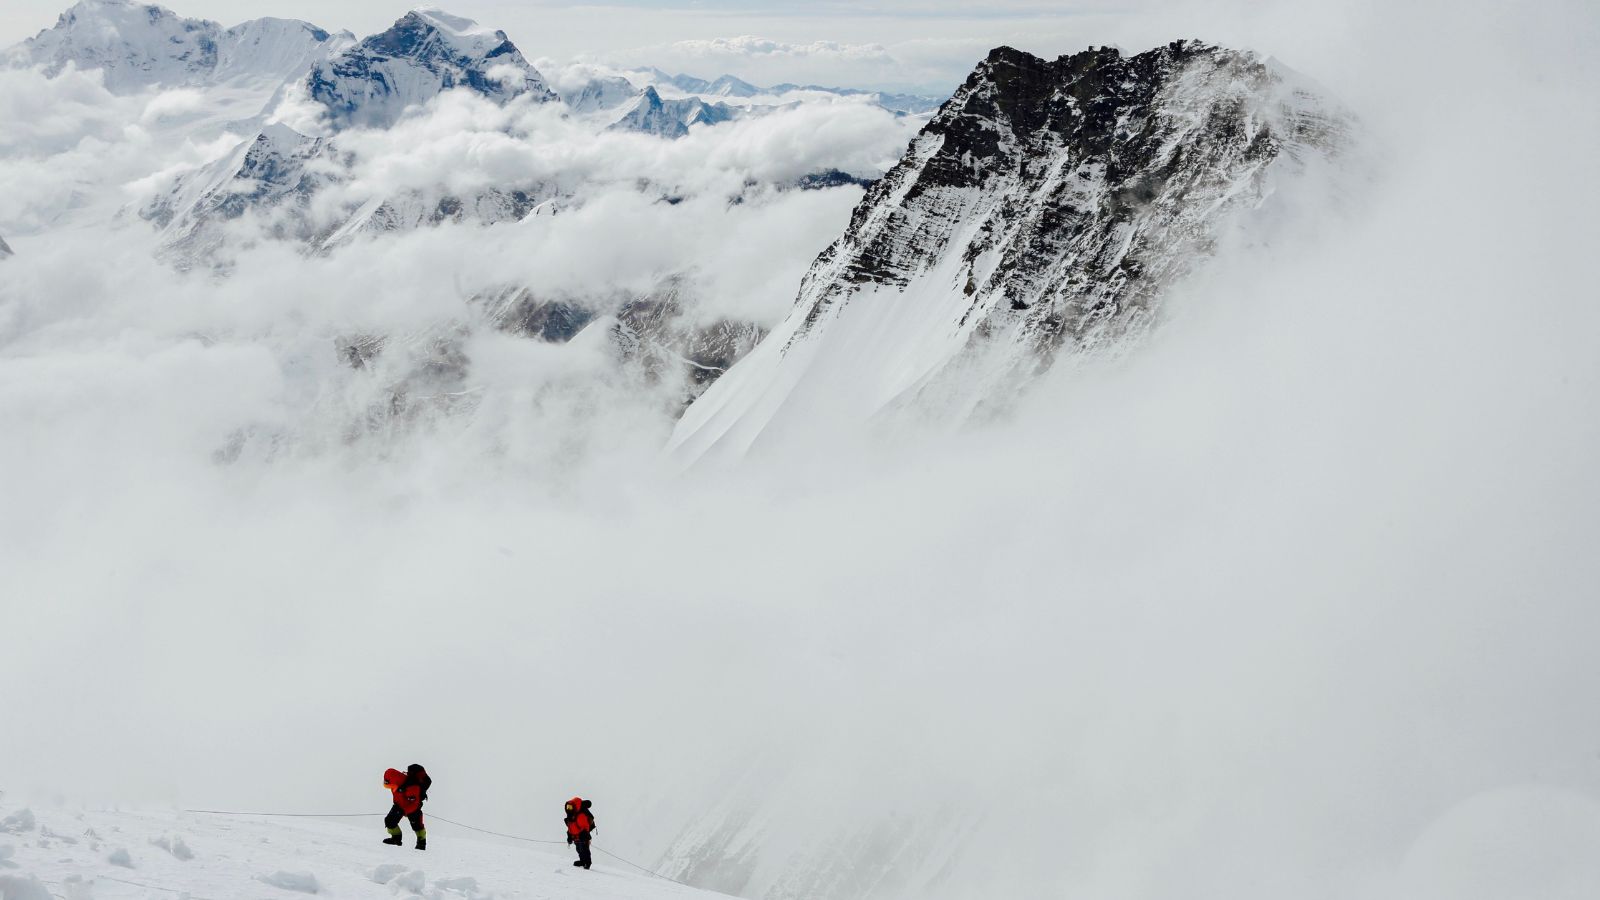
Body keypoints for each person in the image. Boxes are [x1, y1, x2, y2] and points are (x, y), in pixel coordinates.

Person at [382, 764, 432, 850]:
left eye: (390, 786)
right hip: (399, 805)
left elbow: (414, 803)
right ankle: (396, 838)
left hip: (412, 808)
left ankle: (421, 843)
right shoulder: (395, 783)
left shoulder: (412, 786)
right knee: (389, 821)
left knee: (417, 825)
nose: (390, 788)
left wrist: (404, 811)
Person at [564, 797, 596, 869]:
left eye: (570, 807)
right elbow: (570, 828)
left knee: (585, 850)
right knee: (579, 850)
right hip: (576, 838)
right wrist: (569, 836)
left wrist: (584, 835)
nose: (569, 809)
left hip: (583, 837)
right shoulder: (570, 816)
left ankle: (587, 863)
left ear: (574, 807)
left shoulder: (580, 815)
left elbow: (585, 826)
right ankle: (582, 861)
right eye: (568, 807)